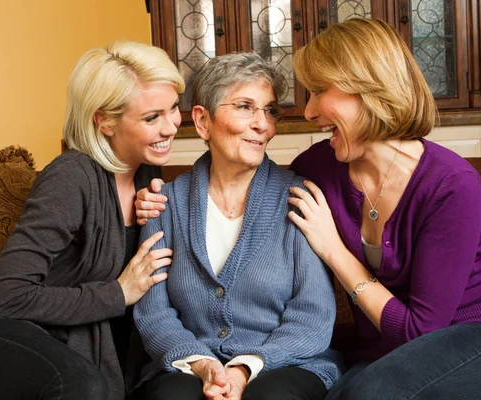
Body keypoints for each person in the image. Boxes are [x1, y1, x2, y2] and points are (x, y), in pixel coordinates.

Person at [0, 41, 185, 400]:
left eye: (174, 109)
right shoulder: (70, 177)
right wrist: (118, 293)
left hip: (45, 335)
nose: (171, 127)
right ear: (104, 120)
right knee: (84, 388)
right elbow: (6, 297)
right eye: (152, 117)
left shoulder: (145, 171)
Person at [285, 18, 481, 399]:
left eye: (320, 90)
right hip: (384, 353)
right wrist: (163, 197)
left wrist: (334, 250)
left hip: (479, 337)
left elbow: (422, 330)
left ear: (368, 89)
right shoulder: (318, 167)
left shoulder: (450, 184)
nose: (308, 111)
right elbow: (250, 193)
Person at [133, 52, 342, 400]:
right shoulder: (162, 205)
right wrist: (202, 364)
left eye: (270, 110)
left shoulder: (299, 198)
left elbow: (313, 314)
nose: (263, 124)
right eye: (245, 106)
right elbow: (153, 311)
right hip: (190, 364)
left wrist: (245, 367)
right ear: (203, 121)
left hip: (286, 364)